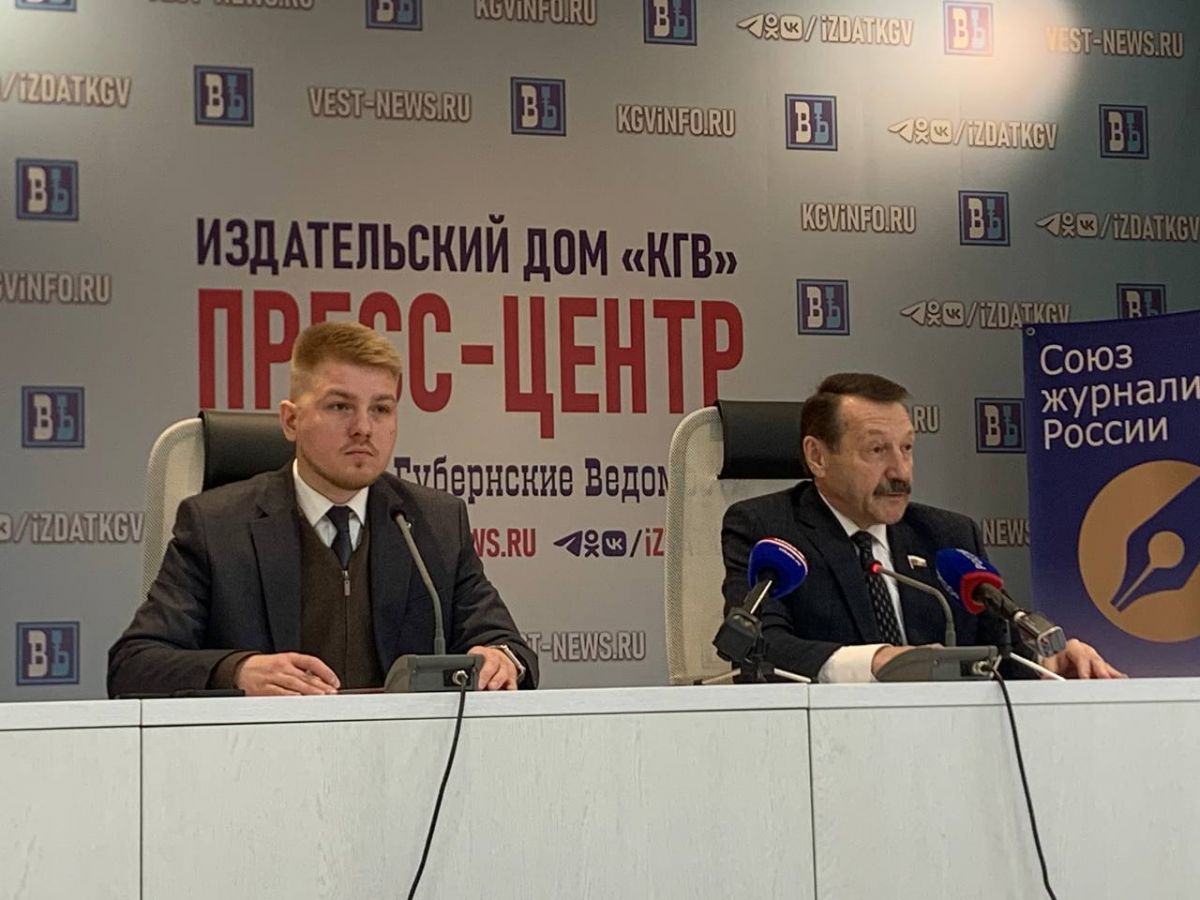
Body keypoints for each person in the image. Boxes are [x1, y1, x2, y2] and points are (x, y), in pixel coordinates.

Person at [109, 321, 537, 697]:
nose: (363, 428)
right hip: (264, 755)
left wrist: (501, 659)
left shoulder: (432, 524)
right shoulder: (217, 526)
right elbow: (134, 664)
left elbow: (510, 646)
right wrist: (237, 672)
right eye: (340, 406)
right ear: (291, 421)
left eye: (381, 409)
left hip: (408, 759)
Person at [721, 372, 1124, 683]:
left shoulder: (948, 537)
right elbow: (759, 646)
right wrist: (878, 660)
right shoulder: (769, 530)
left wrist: (1045, 661)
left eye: (907, 448)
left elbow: (998, 645)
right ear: (818, 457)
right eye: (877, 450)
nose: (900, 471)